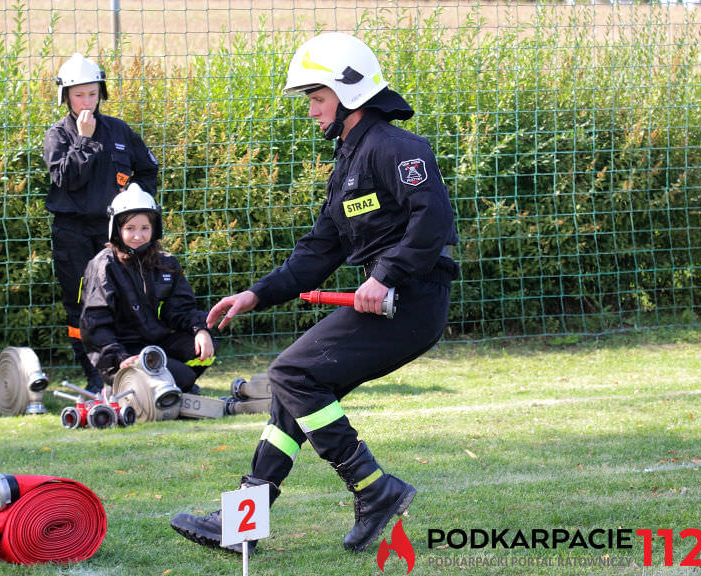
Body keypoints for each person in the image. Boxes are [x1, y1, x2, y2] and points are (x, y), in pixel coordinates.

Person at [170, 32, 458, 554]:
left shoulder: (397, 147)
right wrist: (254, 295)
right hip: (391, 298)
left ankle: (374, 488)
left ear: (349, 93)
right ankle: (241, 528)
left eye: (316, 97)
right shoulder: (349, 161)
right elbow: (318, 251)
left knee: (291, 373)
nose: (310, 111)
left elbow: (433, 219)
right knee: (290, 396)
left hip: (411, 301)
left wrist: (384, 275)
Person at [43, 53, 160, 393]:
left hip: (115, 233)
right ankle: (94, 374)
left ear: (101, 93)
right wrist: (84, 141)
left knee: (127, 296)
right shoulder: (59, 136)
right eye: (79, 95)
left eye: (92, 94)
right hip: (73, 233)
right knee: (80, 304)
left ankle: (131, 370)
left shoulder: (120, 130)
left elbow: (147, 170)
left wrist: (138, 204)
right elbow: (66, 179)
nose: (86, 102)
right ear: (65, 96)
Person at [79, 184, 214, 393]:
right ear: (116, 229)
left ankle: (168, 383)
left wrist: (201, 330)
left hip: (156, 346)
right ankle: (138, 385)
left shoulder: (167, 263)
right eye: (130, 228)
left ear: (154, 228)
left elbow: (181, 310)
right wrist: (120, 357)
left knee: (206, 345)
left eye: (145, 228)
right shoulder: (103, 266)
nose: (138, 235)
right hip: (122, 354)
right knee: (184, 377)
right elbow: (95, 324)